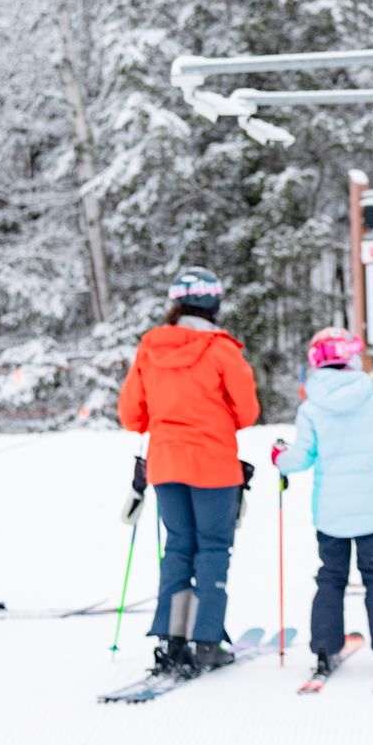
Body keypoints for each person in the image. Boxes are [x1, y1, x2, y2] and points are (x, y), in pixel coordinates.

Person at [117, 268, 261, 674]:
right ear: (214, 303)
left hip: (166, 463)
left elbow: (131, 415)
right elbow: (247, 412)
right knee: (213, 549)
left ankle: (171, 638)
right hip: (214, 464)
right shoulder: (221, 349)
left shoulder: (150, 348)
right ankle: (206, 641)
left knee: (178, 547)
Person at [272, 327, 373, 683]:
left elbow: (300, 458)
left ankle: (324, 647)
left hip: (330, 512)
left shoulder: (312, 407)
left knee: (330, 577)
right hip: (370, 508)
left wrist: (280, 458)